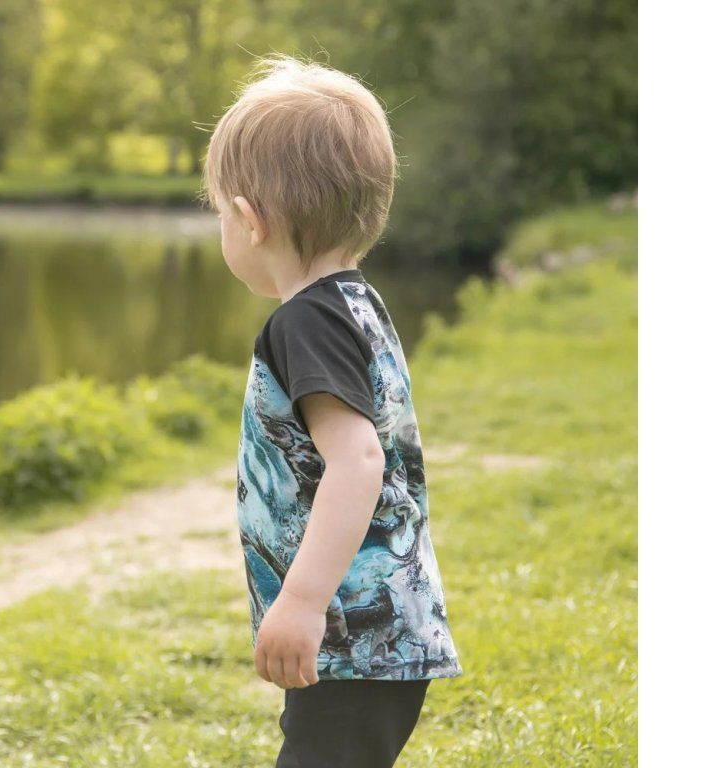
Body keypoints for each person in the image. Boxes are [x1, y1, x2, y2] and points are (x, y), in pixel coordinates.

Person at [198, 53, 464, 768]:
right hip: (374, 636)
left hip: (354, 636)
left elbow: (358, 461)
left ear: (250, 220)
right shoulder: (357, 303)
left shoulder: (306, 323)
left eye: (220, 213)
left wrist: (303, 601)